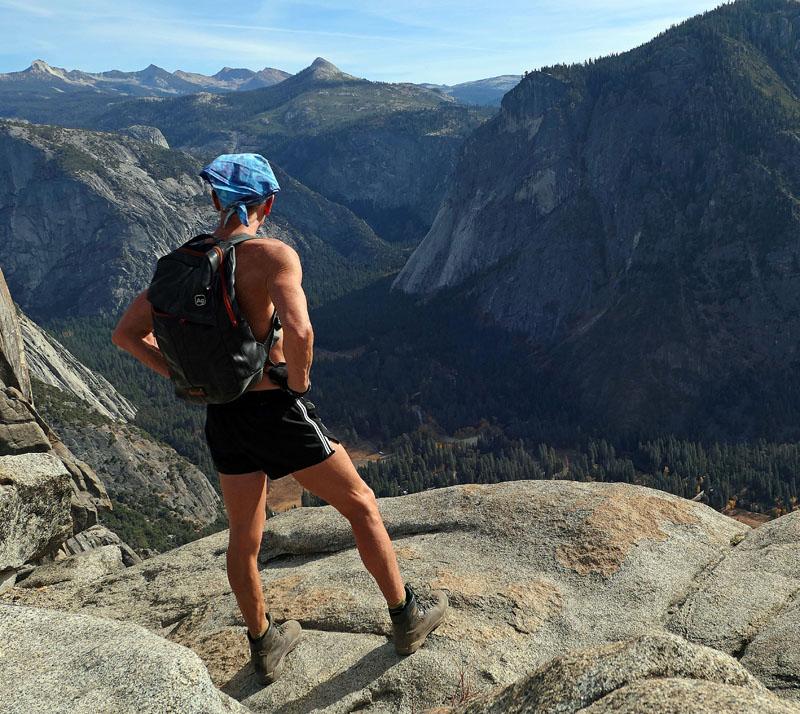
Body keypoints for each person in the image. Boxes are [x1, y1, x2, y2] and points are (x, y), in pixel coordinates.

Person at [112, 153, 447, 685]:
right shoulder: (272, 256)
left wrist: (184, 379)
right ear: (266, 202)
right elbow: (300, 329)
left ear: (219, 200)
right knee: (361, 506)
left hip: (223, 417)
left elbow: (125, 335)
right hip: (275, 410)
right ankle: (406, 618)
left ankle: (263, 643)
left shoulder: (180, 263)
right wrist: (298, 381)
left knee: (244, 537)